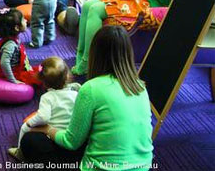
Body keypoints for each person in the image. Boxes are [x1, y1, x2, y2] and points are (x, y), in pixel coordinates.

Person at [20, 26, 153, 170]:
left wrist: (47, 129)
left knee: (30, 140)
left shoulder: (91, 88)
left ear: (95, 53)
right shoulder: (140, 87)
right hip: (143, 166)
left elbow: (70, 142)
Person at [7, 57, 81, 162]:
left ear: (44, 82)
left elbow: (43, 117)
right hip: (70, 133)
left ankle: (20, 153)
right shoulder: (76, 94)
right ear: (67, 76)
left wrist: (30, 123)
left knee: (25, 127)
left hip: (52, 135)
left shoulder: (47, 97)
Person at [0, 8, 41, 85]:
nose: (25, 21)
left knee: (41, 69)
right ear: (17, 28)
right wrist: (13, 80)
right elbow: (4, 63)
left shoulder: (11, 40)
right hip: (17, 75)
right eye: (23, 19)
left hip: (20, 70)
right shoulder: (10, 45)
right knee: (43, 76)